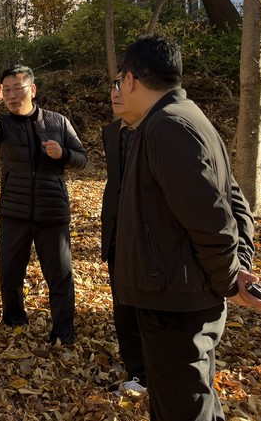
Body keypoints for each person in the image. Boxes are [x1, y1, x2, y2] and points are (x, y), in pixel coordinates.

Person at [114, 36, 261, 420]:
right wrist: (234, 269)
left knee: (184, 409)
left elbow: (214, 218)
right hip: (177, 294)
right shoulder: (183, 116)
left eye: (121, 81)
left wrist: (229, 278)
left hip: (174, 302)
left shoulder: (169, 126)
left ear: (132, 80)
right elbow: (235, 201)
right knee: (192, 401)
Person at [0, 65, 87, 344]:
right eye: (7, 90)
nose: (12, 95)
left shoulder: (58, 122)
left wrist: (62, 154)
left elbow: (82, 159)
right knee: (10, 271)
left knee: (60, 275)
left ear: (32, 90)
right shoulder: (3, 125)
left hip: (52, 212)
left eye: (18, 88)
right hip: (15, 211)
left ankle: (63, 331)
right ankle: (14, 320)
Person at [101, 71, 146, 394]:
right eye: (112, 86)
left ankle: (151, 373)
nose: (115, 92)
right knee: (123, 309)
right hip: (116, 234)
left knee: (147, 312)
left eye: (121, 84)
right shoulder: (112, 132)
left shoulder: (162, 131)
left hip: (147, 240)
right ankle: (136, 371)